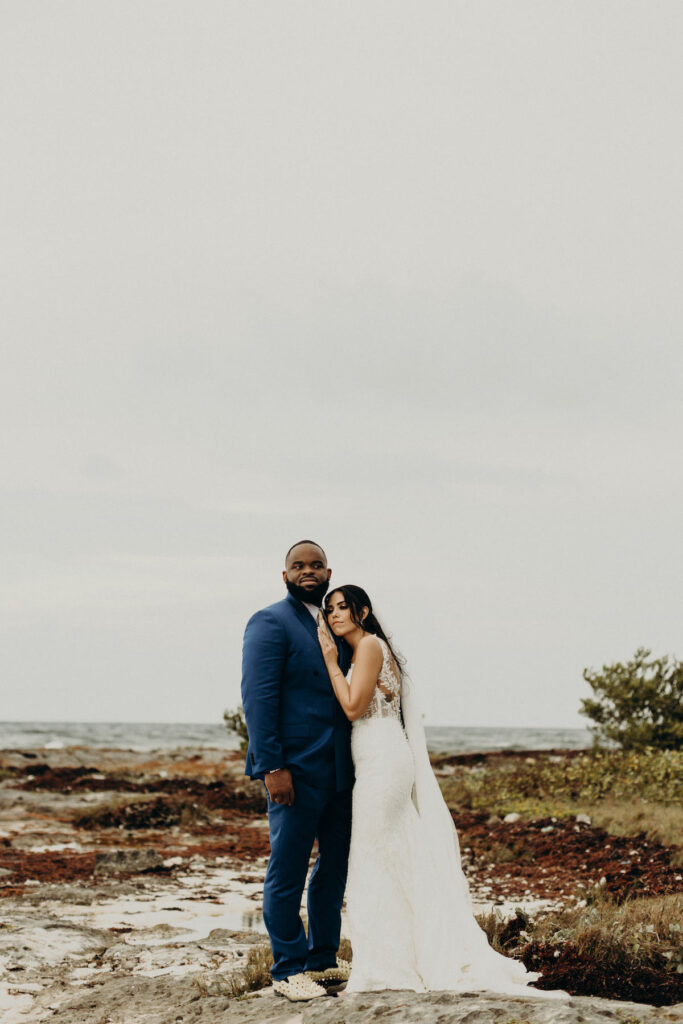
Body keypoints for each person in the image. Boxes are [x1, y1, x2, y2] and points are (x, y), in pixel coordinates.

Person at [317, 584, 567, 998]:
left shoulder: (369, 648)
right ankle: (398, 954)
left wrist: (329, 663)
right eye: (330, 610)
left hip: (382, 759)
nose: (335, 615)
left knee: (372, 855)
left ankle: (391, 962)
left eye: (343, 608)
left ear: (362, 611)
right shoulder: (369, 649)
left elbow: (352, 708)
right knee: (392, 854)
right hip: (379, 757)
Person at [241, 541, 353, 1002]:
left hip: (342, 771)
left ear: (329, 571)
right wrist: (272, 766)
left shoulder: (339, 624)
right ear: (284, 575)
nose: (308, 571)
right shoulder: (270, 621)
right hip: (294, 770)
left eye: (316, 564)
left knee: (333, 870)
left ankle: (323, 960)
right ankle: (287, 968)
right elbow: (258, 699)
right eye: (298, 566)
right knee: (286, 871)